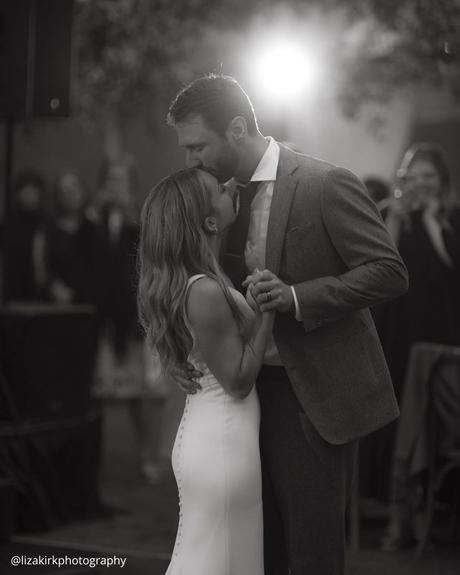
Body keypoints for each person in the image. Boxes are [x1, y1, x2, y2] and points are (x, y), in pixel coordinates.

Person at [166, 74, 409, 575]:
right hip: (243, 400)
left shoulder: (325, 182)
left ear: (236, 128)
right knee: (261, 549)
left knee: (311, 552)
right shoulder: (217, 197)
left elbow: (389, 272)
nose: (191, 160)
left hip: (312, 397)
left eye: (198, 146)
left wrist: (298, 297)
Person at [137, 168, 274, 574]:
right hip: (223, 443)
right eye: (219, 188)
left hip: (213, 437)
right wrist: (268, 310)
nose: (231, 185)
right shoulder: (205, 290)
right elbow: (238, 380)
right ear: (209, 221)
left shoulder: (201, 283)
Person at [375, 142, 460, 550]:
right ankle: (398, 515)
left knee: (433, 425)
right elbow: (381, 265)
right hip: (397, 333)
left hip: (439, 336)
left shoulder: (449, 221)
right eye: (414, 177)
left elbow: (450, 266)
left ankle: (431, 513)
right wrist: (399, 216)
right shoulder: (392, 217)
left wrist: (429, 221)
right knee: (399, 425)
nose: (422, 185)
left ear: (442, 183)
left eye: (430, 177)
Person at [91, 159, 165, 484]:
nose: (115, 185)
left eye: (121, 179)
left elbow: (151, 252)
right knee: (106, 390)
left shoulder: (144, 215)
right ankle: (100, 463)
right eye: (111, 179)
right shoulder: (97, 218)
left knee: (144, 394)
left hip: (138, 316)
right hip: (107, 318)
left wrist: (130, 214)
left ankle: (149, 458)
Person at [45, 170, 95, 305]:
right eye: (63, 190)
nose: (69, 194)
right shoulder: (49, 229)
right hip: (56, 302)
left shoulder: (94, 227)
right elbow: (42, 264)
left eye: (73, 188)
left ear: (83, 191)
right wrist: (53, 287)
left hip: (91, 302)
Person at [3, 169, 48, 303]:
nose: (28, 194)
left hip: (41, 290)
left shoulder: (47, 223)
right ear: (17, 193)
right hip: (12, 289)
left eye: (33, 189)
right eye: (24, 189)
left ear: (40, 193)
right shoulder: (8, 223)